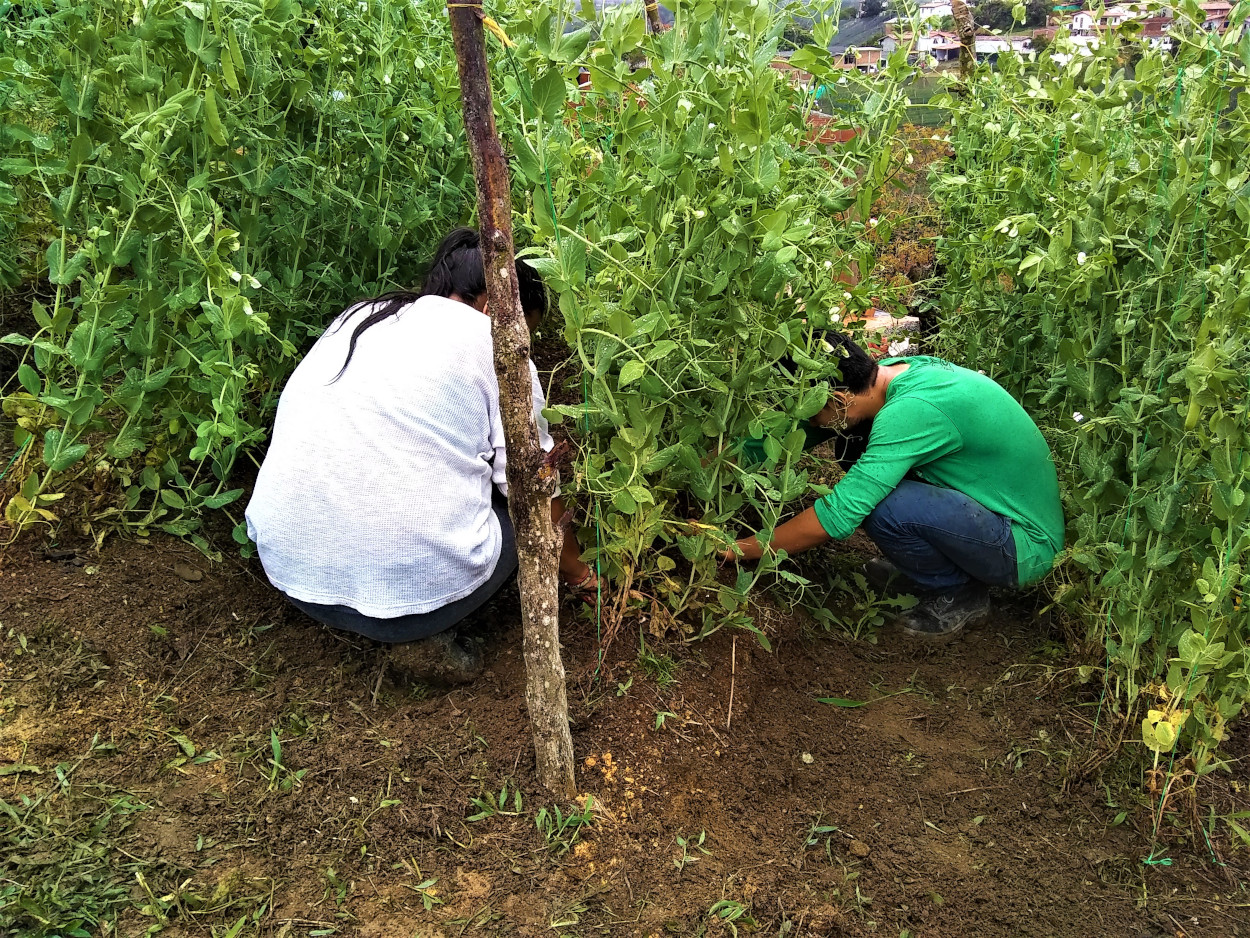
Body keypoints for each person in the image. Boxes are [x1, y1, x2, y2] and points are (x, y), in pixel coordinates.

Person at [245, 228, 596, 683]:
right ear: (496, 305)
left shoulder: (361, 315)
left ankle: (385, 602)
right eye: (527, 325)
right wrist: (581, 575)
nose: (524, 340)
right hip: (406, 603)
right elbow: (533, 487)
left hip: (292, 571)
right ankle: (423, 637)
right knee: (514, 507)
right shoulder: (498, 345)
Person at [726, 332, 1064, 641]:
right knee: (854, 443)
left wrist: (742, 548)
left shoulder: (910, 413)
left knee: (883, 506)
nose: (809, 422)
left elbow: (840, 514)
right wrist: (720, 459)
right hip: (988, 509)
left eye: (813, 413)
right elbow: (787, 437)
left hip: (1024, 547)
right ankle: (934, 567)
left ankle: (958, 592)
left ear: (839, 401)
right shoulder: (888, 374)